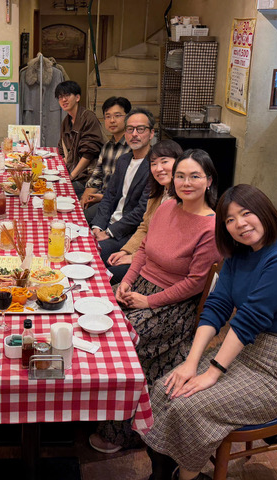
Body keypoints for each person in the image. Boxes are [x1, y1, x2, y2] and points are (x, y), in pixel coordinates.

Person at [142, 184, 277, 480]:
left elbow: (248, 320)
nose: (239, 224)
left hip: (276, 371)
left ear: (265, 212)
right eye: (230, 220)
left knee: (189, 406)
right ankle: (164, 473)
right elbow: (217, 306)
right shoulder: (238, 256)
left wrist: (212, 373)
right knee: (163, 389)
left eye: (246, 213)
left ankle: (189, 477)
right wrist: (191, 363)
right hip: (241, 354)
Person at [89, 149, 221, 455]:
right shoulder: (166, 207)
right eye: (180, 176)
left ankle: (123, 431)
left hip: (173, 304)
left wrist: (149, 302)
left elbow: (194, 284)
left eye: (195, 176)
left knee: (119, 340)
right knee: (91, 311)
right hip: (140, 287)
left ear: (209, 181)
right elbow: (143, 250)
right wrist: (125, 282)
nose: (186, 183)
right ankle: (92, 406)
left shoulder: (211, 228)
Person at [106, 140, 183, 283]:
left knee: (107, 275)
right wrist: (126, 251)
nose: (158, 168)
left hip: (160, 267)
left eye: (164, 162)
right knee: (105, 265)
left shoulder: (182, 200)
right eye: (153, 164)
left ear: (179, 163)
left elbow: (168, 244)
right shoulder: (157, 193)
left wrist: (133, 257)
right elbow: (144, 227)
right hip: (144, 253)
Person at [90, 108, 157, 271]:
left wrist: (109, 232)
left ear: (151, 133)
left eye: (140, 129)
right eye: (130, 129)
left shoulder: (155, 166)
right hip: (108, 224)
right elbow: (109, 196)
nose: (134, 134)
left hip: (127, 233)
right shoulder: (124, 160)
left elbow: (142, 211)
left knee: (90, 256)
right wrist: (98, 226)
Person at [81, 96, 132, 223]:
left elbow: (127, 188)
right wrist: (85, 197)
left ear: (128, 117)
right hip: (100, 195)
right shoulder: (107, 147)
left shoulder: (132, 148)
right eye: (108, 116)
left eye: (117, 116)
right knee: (73, 205)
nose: (112, 120)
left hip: (117, 203)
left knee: (82, 218)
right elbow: (97, 176)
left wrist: (102, 197)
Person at [55, 80, 104, 197]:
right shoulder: (66, 121)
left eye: (67, 95)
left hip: (87, 176)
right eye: (60, 97)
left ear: (77, 97)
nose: (63, 100)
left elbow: (89, 154)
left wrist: (71, 176)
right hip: (73, 171)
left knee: (57, 192)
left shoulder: (88, 118)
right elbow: (62, 150)